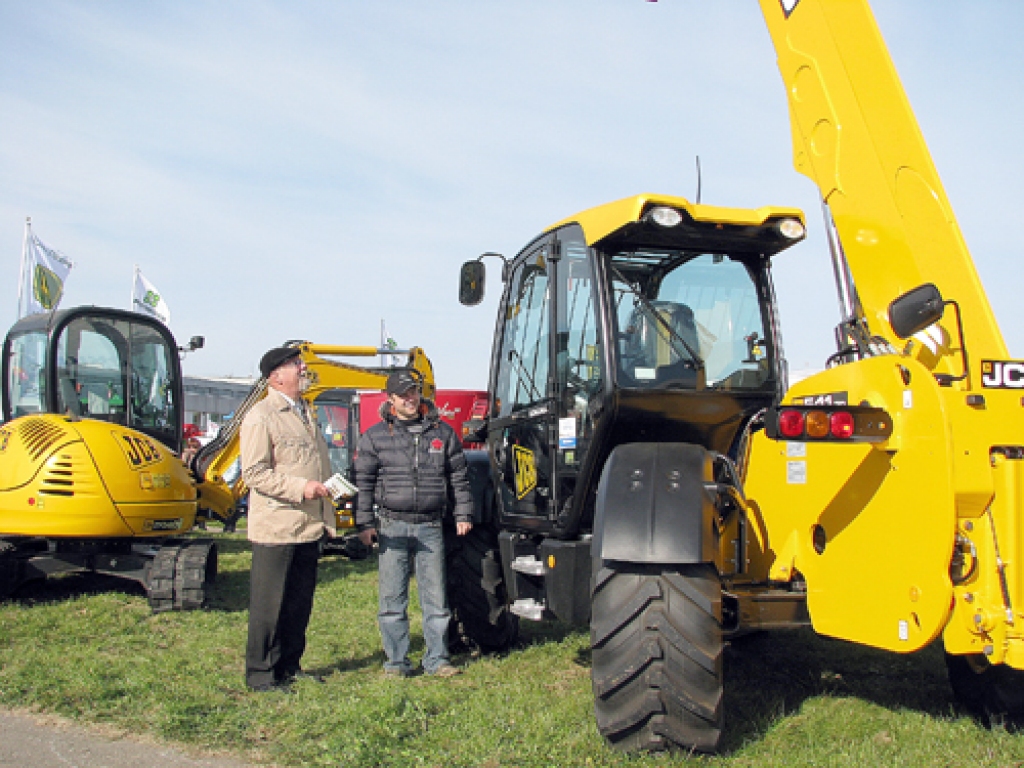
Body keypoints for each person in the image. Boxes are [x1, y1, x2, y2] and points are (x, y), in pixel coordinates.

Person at [355, 370, 474, 678]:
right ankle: (396, 663)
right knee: (392, 599)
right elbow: (364, 482)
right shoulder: (375, 436)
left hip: (431, 526)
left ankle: (437, 660)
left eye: (414, 392)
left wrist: (463, 514)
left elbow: (459, 478)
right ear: (391, 399)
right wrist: (365, 522)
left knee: (436, 599)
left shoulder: (443, 434)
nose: (411, 398)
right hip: (391, 525)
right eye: (404, 394)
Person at [240, 346, 334, 692]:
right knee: (270, 607)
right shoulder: (261, 416)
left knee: (297, 604)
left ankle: (290, 667)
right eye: (296, 364)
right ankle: (261, 675)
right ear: (276, 376)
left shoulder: (305, 413)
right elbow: (254, 473)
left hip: (307, 527)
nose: (303, 367)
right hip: (277, 528)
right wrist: (301, 487)